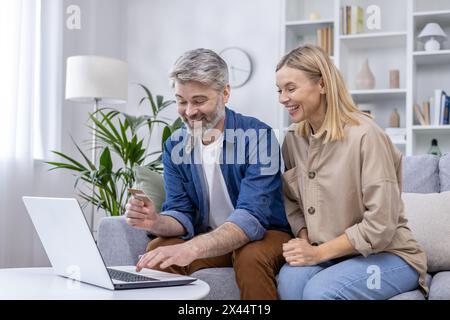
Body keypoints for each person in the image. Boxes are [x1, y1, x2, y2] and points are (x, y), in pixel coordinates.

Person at [125, 48, 292, 300]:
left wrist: (194, 247)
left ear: (225, 93)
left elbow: (252, 217)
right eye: (181, 101)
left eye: (199, 101)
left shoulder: (258, 137)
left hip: (267, 233)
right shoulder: (175, 145)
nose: (189, 111)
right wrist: (155, 221)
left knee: (250, 258)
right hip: (214, 237)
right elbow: (181, 211)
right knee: (157, 250)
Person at [275, 45, 428, 300]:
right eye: (279, 90)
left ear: (322, 85)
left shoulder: (367, 135)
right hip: (329, 252)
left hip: (390, 255)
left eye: (291, 88)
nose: (282, 98)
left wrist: (318, 254)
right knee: (289, 282)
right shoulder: (292, 140)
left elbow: (381, 223)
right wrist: (304, 243)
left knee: (319, 292)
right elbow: (293, 205)